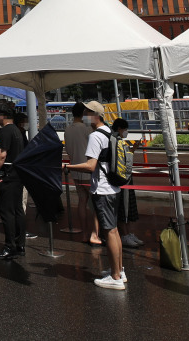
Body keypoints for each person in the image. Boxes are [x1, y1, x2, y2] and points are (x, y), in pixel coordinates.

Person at [68, 101, 126, 290]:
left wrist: (67, 167)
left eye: (86, 112)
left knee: (108, 231)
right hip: (114, 187)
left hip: (102, 188)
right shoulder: (109, 132)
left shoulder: (95, 136)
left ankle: (116, 277)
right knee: (114, 230)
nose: (84, 114)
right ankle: (119, 270)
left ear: (94, 115)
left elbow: (90, 166)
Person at [0, 100, 27, 260]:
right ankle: (20, 244)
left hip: (9, 175)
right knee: (18, 210)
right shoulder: (17, 131)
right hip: (19, 175)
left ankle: (9, 245)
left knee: (6, 211)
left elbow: (2, 154)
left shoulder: (5, 131)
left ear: (2, 116)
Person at [65, 102, 98, 244]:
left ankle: (85, 233)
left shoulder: (67, 129)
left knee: (82, 202)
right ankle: (95, 234)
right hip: (88, 170)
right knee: (96, 205)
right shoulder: (87, 129)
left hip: (75, 170)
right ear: (84, 113)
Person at [112, 118, 144, 249]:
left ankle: (129, 233)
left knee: (128, 207)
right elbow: (123, 161)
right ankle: (124, 235)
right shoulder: (115, 141)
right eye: (125, 129)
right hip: (122, 178)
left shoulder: (118, 141)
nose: (126, 132)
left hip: (125, 178)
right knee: (123, 207)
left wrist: (132, 149)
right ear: (119, 129)